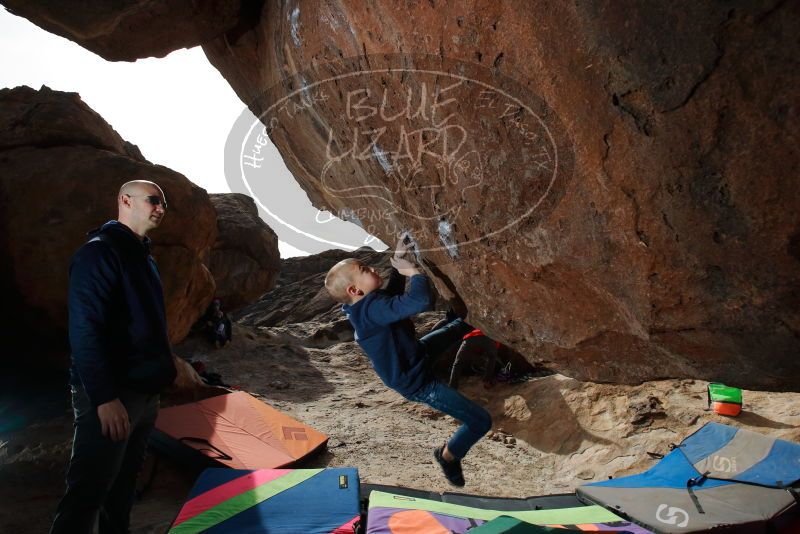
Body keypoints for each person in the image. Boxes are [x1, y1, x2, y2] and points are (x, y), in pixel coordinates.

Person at [50, 180, 177, 534]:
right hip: (113, 393)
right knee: (87, 492)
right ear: (125, 200)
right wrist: (105, 398)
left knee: (121, 491)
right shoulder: (99, 252)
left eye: (163, 204)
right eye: (154, 200)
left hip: (144, 392)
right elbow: (84, 331)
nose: (161, 208)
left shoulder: (142, 256)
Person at [324, 238, 492, 487]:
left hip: (416, 353)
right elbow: (419, 301)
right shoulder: (371, 312)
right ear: (354, 291)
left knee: (461, 325)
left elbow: (390, 294)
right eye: (364, 270)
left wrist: (396, 262)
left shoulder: (366, 304)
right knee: (480, 421)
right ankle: (448, 456)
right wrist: (411, 272)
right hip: (417, 382)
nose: (372, 269)